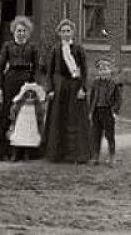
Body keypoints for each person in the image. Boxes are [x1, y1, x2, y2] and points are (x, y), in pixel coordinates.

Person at [0, 16, 39, 161]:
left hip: (26, 84)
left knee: (25, 116)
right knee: (5, 115)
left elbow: (37, 68)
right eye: (19, 31)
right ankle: (1, 152)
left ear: (28, 32)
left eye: (24, 31)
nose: (21, 33)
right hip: (10, 83)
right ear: (14, 32)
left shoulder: (32, 48)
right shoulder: (7, 46)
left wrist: (34, 86)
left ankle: (24, 151)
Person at [43, 18, 91, 163]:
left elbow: (84, 71)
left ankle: (76, 154)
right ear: (59, 33)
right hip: (59, 88)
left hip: (74, 88)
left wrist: (83, 88)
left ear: (73, 32)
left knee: (74, 120)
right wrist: (50, 89)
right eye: (63, 31)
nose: (66, 33)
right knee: (59, 120)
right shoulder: (55, 50)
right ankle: (57, 153)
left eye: (68, 31)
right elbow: (50, 72)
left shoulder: (78, 49)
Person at [89, 58, 122, 166]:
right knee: (96, 135)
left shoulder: (114, 84)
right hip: (97, 111)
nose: (103, 72)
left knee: (109, 135)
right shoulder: (95, 83)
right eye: (101, 70)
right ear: (98, 72)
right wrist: (90, 111)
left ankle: (112, 156)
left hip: (108, 111)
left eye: (105, 69)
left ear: (109, 71)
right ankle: (95, 156)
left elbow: (118, 100)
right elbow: (92, 98)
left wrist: (115, 111)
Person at [9, 81, 47, 161]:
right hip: (21, 122)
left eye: (32, 95)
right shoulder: (19, 105)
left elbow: (40, 113)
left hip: (31, 122)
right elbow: (14, 111)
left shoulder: (36, 106)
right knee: (18, 137)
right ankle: (15, 154)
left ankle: (27, 154)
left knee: (30, 138)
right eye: (28, 95)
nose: (30, 97)